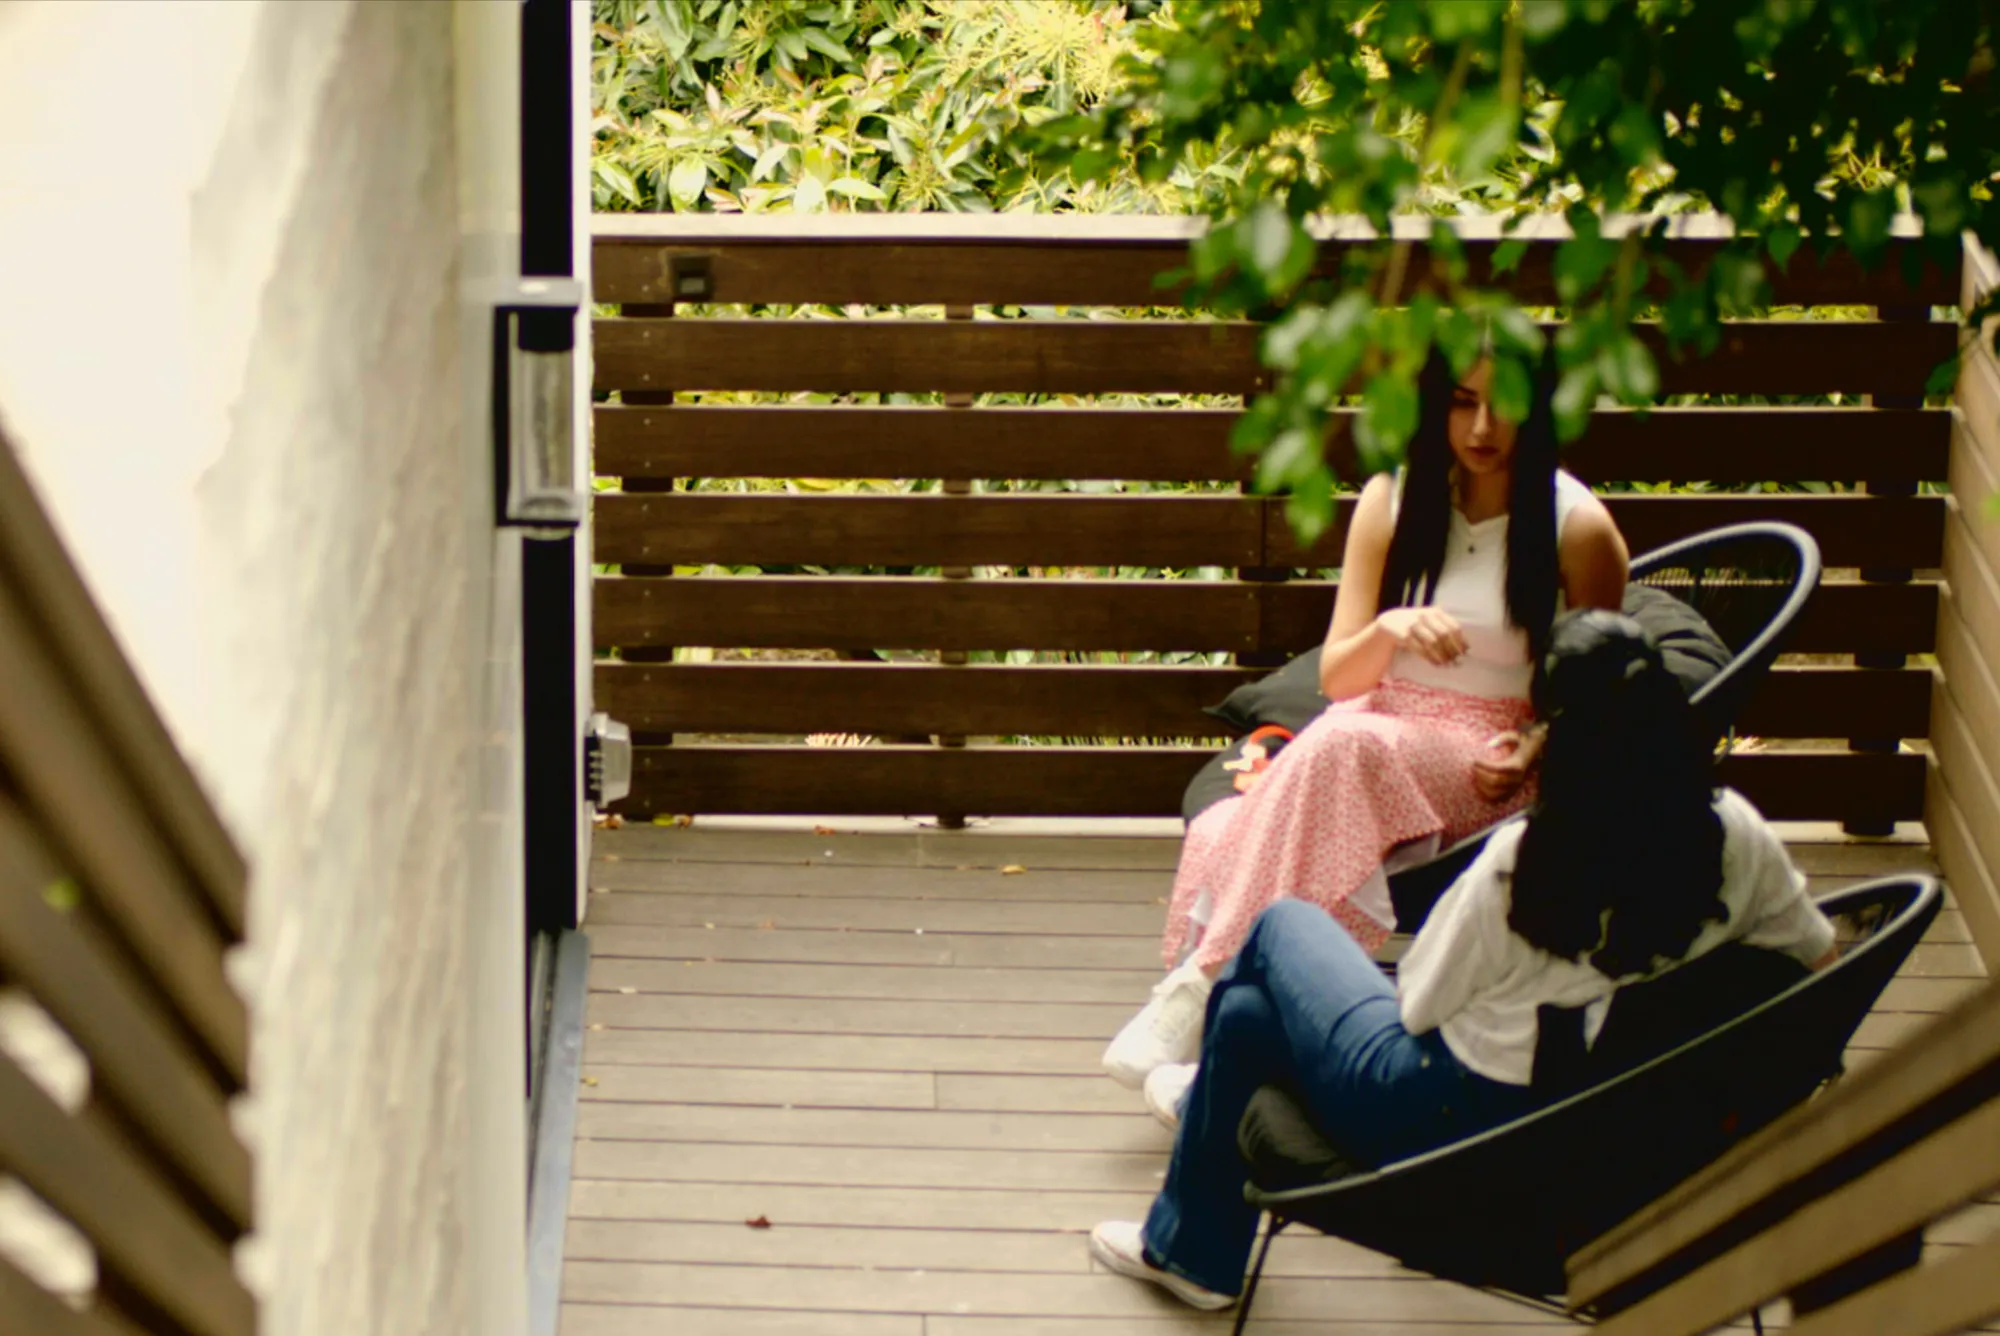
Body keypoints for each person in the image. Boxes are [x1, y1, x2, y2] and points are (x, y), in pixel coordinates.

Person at [1087, 610, 1840, 1310]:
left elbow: (1417, 1004)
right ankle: (1189, 1244)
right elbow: (1815, 954)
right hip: (1624, 1138)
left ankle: (1194, 1179)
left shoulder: (1528, 863)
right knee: (1246, 1015)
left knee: (1280, 929)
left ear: (1557, 736)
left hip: (1454, 1131)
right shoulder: (1735, 834)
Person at [1103, 347, 1630, 1088]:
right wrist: (1390, 630)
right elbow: (1338, 675)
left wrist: (1536, 746)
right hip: (1375, 722)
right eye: (1459, 401)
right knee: (1293, 779)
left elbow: (1603, 692)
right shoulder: (1393, 500)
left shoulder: (1577, 528)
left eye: (1503, 402)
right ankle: (1232, 1046)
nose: (1482, 426)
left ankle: (1199, 991)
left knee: (1343, 745)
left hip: (1486, 752)